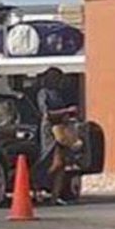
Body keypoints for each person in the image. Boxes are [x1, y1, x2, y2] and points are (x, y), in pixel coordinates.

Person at [36, 67, 79, 206]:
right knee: (51, 160)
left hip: (61, 128)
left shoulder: (57, 94)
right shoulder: (44, 93)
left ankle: (55, 196)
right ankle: (38, 185)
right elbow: (46, 114)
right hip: (50, 128)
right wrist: (66, 110)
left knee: (61, 163)